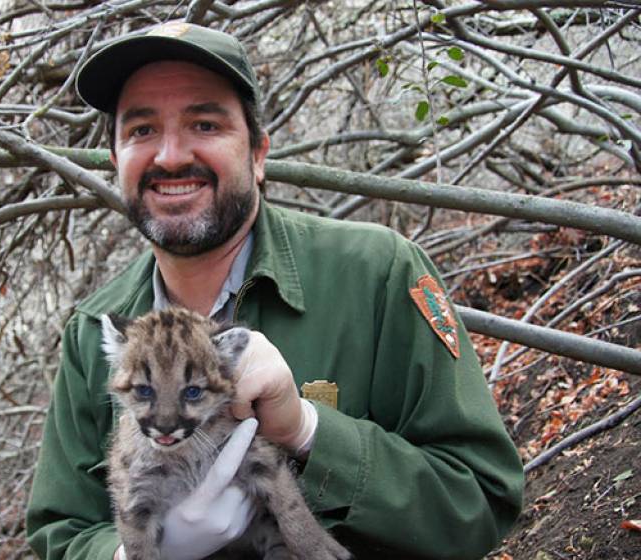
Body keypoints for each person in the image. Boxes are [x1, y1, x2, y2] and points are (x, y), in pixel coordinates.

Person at [26, 22, 524, 560]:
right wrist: (137, 553)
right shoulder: (93, 330)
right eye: (141, 131)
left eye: (204, 123)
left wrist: (309, 433)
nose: (169, 155)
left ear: (259, 155)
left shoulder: (375, 272)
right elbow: (60, 533)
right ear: (116, 162)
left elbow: (480, 503)